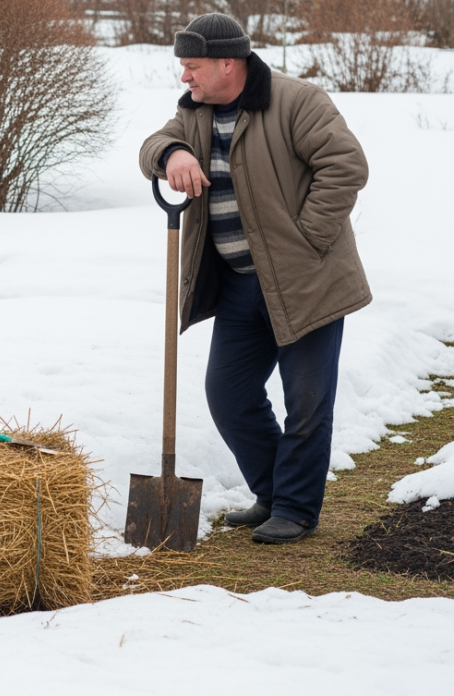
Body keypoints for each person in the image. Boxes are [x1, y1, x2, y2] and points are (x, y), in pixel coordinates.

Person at [139, 14, 369, 543]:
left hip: (307, 281)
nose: (184, 77)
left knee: (306, 401)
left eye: (192, 66)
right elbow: (151, 145)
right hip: (241, 284)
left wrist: (306, 240)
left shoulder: (296, 101)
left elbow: (346, 165)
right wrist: (172, 152)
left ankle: (296, 509)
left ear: (228, 63)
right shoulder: (194, 112)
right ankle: (273, 494)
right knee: (229, 394)